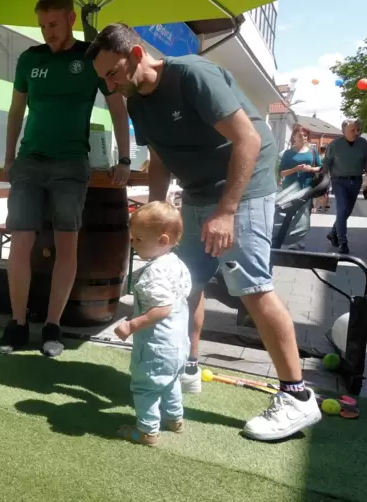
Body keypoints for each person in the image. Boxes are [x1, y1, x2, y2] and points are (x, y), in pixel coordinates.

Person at [88, 23, 322, 441]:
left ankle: (297, 396)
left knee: (250, 287)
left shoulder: (192, 74)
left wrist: (227, 210)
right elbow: (159, 159)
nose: (110, 84)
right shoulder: (136, 102)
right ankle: (186, 365)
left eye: (113, 73)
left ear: (137, 55)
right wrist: (154, 215)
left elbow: (247, 140)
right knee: (185, 281)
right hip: (195, 194)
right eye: (103, 78)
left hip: (242, 190)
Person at [0, 0, 131, 358]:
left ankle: (53, 325)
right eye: (43, 27)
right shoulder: (29, 59)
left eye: (54, 25)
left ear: (71, 19)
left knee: (66, 245)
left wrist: (125, 158)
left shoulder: (91, 61)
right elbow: (16, 110)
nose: (48, 33)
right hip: (29, 162)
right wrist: (9, 157)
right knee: (21, 242)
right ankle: (18, 323)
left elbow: (118, 108)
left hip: (71, 165)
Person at [113, 201, 191, 446]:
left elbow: (161, 309)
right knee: (170, 381)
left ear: (162, 240)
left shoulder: (155, 272)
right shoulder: (177, 264)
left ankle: (147, 431)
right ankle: (175, 418)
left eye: (138, 239)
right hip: (179, 343)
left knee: (145, 386)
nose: (132, 244)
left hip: (157, 345)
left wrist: (132, 325)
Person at [323, 119, 367, 254]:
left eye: (358, 130)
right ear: (344, 131)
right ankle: (343, 242)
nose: (356, 132)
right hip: (339, 182)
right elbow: (326, 164)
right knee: (342, 210)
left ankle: (332, 233)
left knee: (346, 212)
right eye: (353, 130)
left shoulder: (363, 144)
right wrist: (325, 184)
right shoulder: (335, 145)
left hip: (356, 181)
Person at [277, 124, 321, 249]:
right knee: (290, 213)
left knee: (304, 214)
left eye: (306, 136)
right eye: (300, 136)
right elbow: (282, 172)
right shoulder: (288, 153)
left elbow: (320, 168)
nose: (304, 138)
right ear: (294, 138)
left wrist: (310, 169)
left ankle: (299, 239)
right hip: (290, 188)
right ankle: (287, 238)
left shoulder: (312, 152)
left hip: (306, 187)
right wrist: (295, 169)